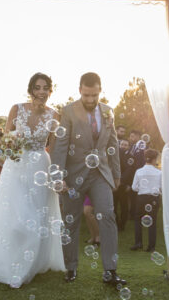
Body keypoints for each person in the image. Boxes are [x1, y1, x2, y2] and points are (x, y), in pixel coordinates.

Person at [0, 72, 65, 287]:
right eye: (38, 87)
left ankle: (29, 265)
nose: (42, 92)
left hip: (40, 167)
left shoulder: (54, 115)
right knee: (14, 216)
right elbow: (6, 140)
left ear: (50, 91)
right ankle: (9, 261)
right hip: (16, 167)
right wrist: (8, 150)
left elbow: (51, 148)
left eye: (46, 88)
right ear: (31, 89)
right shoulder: (17, 109)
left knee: (35, 216)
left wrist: (55, 175)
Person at [51, 72, 126, 287]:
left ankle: (110, 271)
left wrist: (117, 173)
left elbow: (113, 146)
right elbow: (61, 146)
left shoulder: (109, 112)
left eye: (94, 95)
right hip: (73, 177)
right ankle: (71, 268)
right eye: (86, 95)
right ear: (79, 90)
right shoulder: (68, 112)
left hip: (100, 174)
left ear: (100, 90)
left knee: (108, 217)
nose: (90, 100)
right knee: (71, 222)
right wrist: (58, 175)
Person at [130, 148, 162, 252]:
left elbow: (134, 187)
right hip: (154, 198)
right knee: (152, 221)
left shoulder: (139, 171)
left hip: (141, 198)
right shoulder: (159, 172)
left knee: (138, 220)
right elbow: (161, 187)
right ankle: (151, 246)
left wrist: (143, 189)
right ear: (154, 159)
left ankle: (138, 243)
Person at [113, 139, 132, 231]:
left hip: (123, 186)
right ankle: (116, 223)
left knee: (124, 207)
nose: (124, 146)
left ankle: (122, 225)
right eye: (122, 144)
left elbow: (130, 171)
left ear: (128, 147)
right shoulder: (114, 156)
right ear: (119, 145)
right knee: (113, 206)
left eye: (126, 145)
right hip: (113, 185)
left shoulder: (130, 157)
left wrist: (125, 183)